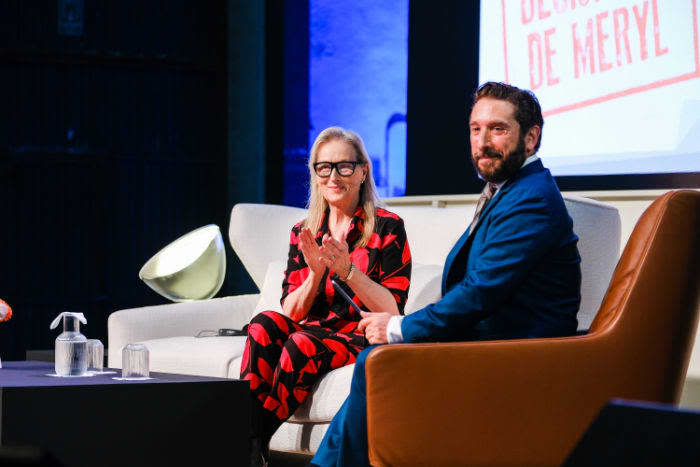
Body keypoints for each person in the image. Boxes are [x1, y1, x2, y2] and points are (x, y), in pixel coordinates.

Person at [311, 82, 582, 466]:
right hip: (488, 345)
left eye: (498, 129)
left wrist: (398, 328)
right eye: (476, 129)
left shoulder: (532, 199)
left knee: (376, 361)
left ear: (531, 137)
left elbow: (479, 293)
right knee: (373, 364)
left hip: (515, 357)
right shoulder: (509, 190)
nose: (482, 141)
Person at [240, 127, 412, 466]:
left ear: (363, 171)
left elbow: (392, 309)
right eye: (324, 167)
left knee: (300, 344)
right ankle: (251, 441)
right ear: (315, 175)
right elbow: (291, 312)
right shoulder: (304, 231)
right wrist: (316, 273)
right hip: (312, 327)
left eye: (344, 167)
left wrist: (348, 271)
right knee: (261, 325)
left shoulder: (388, 228)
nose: (334, 176)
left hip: (358, 334)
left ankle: (251, 439)